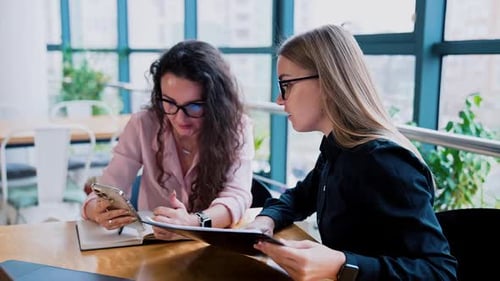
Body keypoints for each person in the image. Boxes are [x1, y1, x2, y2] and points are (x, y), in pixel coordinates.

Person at [246, 25, 458, 281]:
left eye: (285, 84)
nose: (279, 99)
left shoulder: (383, 162)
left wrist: (342, 265)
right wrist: (266, 220)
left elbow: (440, 273)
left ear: (327, 82)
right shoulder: (338, 147)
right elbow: (301, 196)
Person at [81, 40, 254, 239]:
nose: (180, 118)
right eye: (169, 103)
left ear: (216, 104)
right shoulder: (143, 124)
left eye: (195, 106)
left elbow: (237, 197)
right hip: (155, 246)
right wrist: (96, 209)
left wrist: (193, 222)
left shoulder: (237, 127)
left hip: (212, 244)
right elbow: (108, 187)